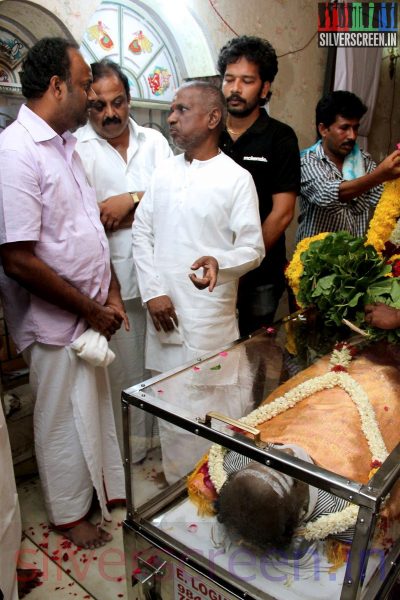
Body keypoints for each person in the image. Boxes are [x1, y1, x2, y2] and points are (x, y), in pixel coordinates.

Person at [0, 37, 127, 550]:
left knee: (92, 411)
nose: (92, 99)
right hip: (54, 322)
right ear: (56, 86)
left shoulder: (66, 146)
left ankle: (101, 490)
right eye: (82, 87)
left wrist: (111, 294)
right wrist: (91, 310)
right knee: (59, 420)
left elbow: (88, 232)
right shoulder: (15, 152)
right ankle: (68, 511)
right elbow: (17, 258)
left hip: (88, 313)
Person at [132, 81, 264, 482]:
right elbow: (142, 232)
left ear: (212, 118)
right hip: (165, 318)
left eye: (181, 109)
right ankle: (177, 494)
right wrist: (153, 291)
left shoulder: (236, 178)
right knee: (171, 412)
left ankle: (218, 491)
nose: (171, 117)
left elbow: (253, 247)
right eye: (171, 110)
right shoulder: (164, 172)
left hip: (209, 323)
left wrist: (218, 262)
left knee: (214, 413)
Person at [75, 59, 172, 463]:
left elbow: (172, 199)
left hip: (162, 278)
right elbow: (90, 218)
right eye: (99, 106)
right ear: (86, 105)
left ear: (130, 100)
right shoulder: (77, 148)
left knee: (163, 370)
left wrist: (127, 201)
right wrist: (129, 206)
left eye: (118, 102)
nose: (110, 114)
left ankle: (165, 445)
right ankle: (128, 457)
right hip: (110, 281)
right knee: (123, 373)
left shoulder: (155, 142)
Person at [217, 35, 300, 335]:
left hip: (260, 273)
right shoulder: (209, 132)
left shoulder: (280, 137)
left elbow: (282, 213)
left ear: (265, 87)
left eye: (247, 81)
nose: (235, 89)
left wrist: (241, 264)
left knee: (255, 358)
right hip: (212, 269)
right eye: (229, 79)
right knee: (209, 358)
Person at [297, 90, 400, 242]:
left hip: (353, 261)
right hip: (314, 261)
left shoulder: (363, 161)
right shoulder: (308, 161)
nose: (352, 136)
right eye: (344, 128)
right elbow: (329, 195)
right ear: (323, 129)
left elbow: (383, 198)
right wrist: (380, 174)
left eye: (355, 128)